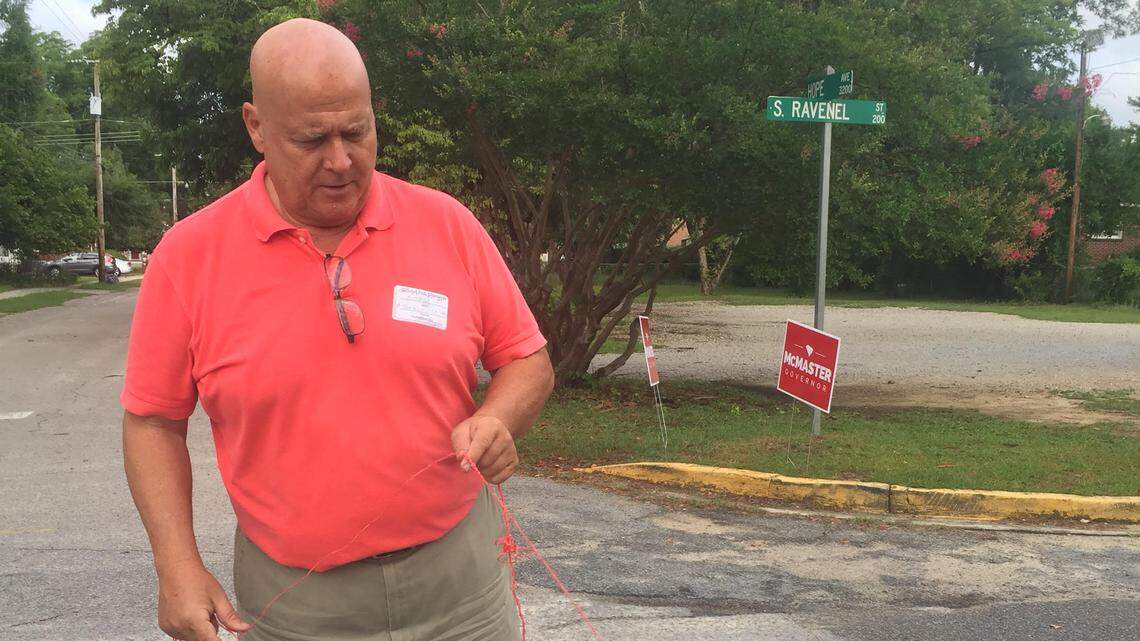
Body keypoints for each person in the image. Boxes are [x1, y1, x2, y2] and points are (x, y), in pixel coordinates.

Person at [121, 18, 554, 641]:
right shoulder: (188, 257)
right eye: (312, 139)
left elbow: (527, 360)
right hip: (298, 606)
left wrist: (499, 418)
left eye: (357, 130)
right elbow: (152, 422)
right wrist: (176, 566)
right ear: (256, 128)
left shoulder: (447, 224)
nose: (341, 160)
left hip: (462, 587)